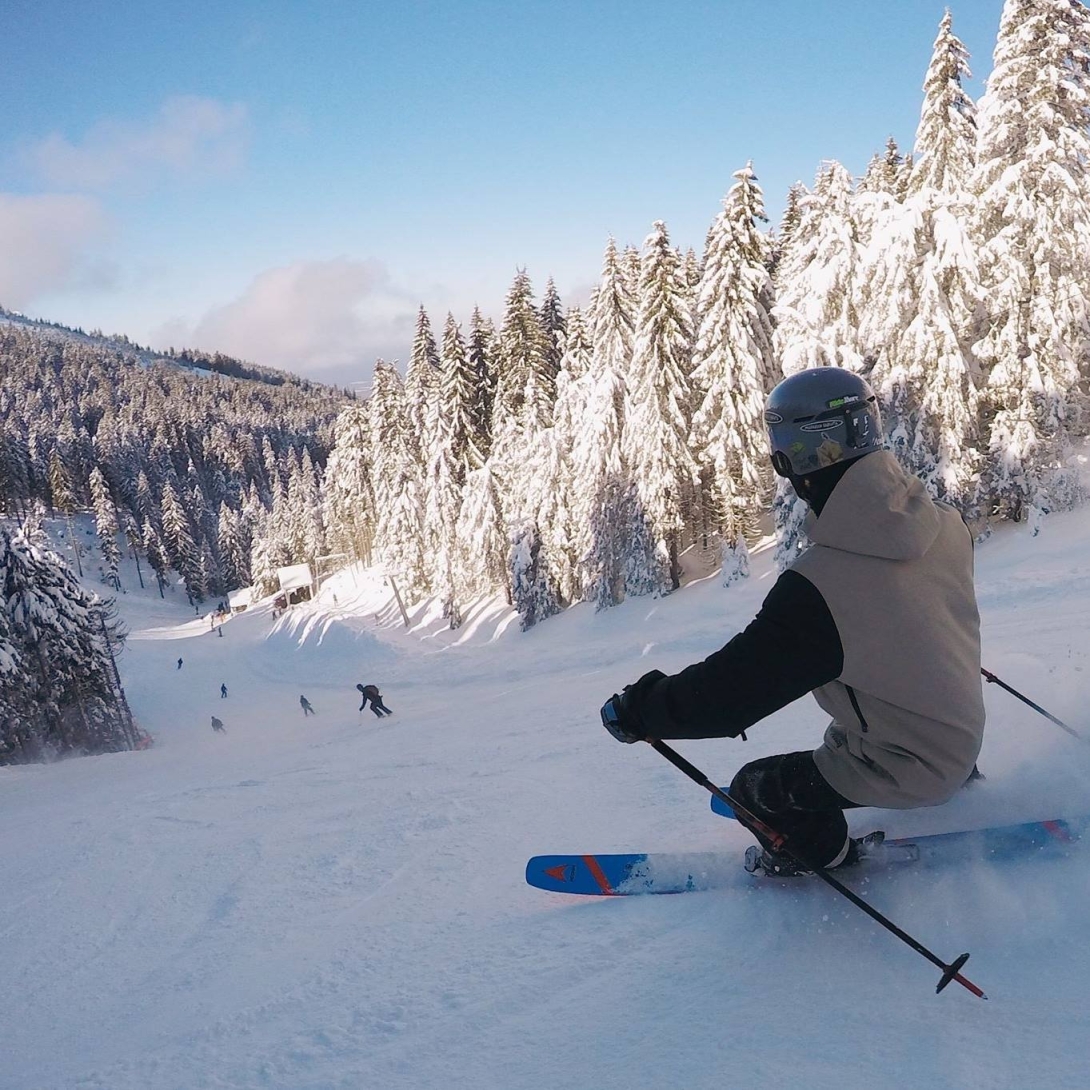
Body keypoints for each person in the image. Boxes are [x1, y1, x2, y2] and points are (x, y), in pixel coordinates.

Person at [601, 367, 985, 877]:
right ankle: (957, 781)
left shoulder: (822, 585)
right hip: (958, 733)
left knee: (755, 790)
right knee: (845, 742)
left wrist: (640, 709)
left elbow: (724, 699)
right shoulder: (945, 522)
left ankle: (828, 859)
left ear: (792, 457)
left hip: (908, 761)